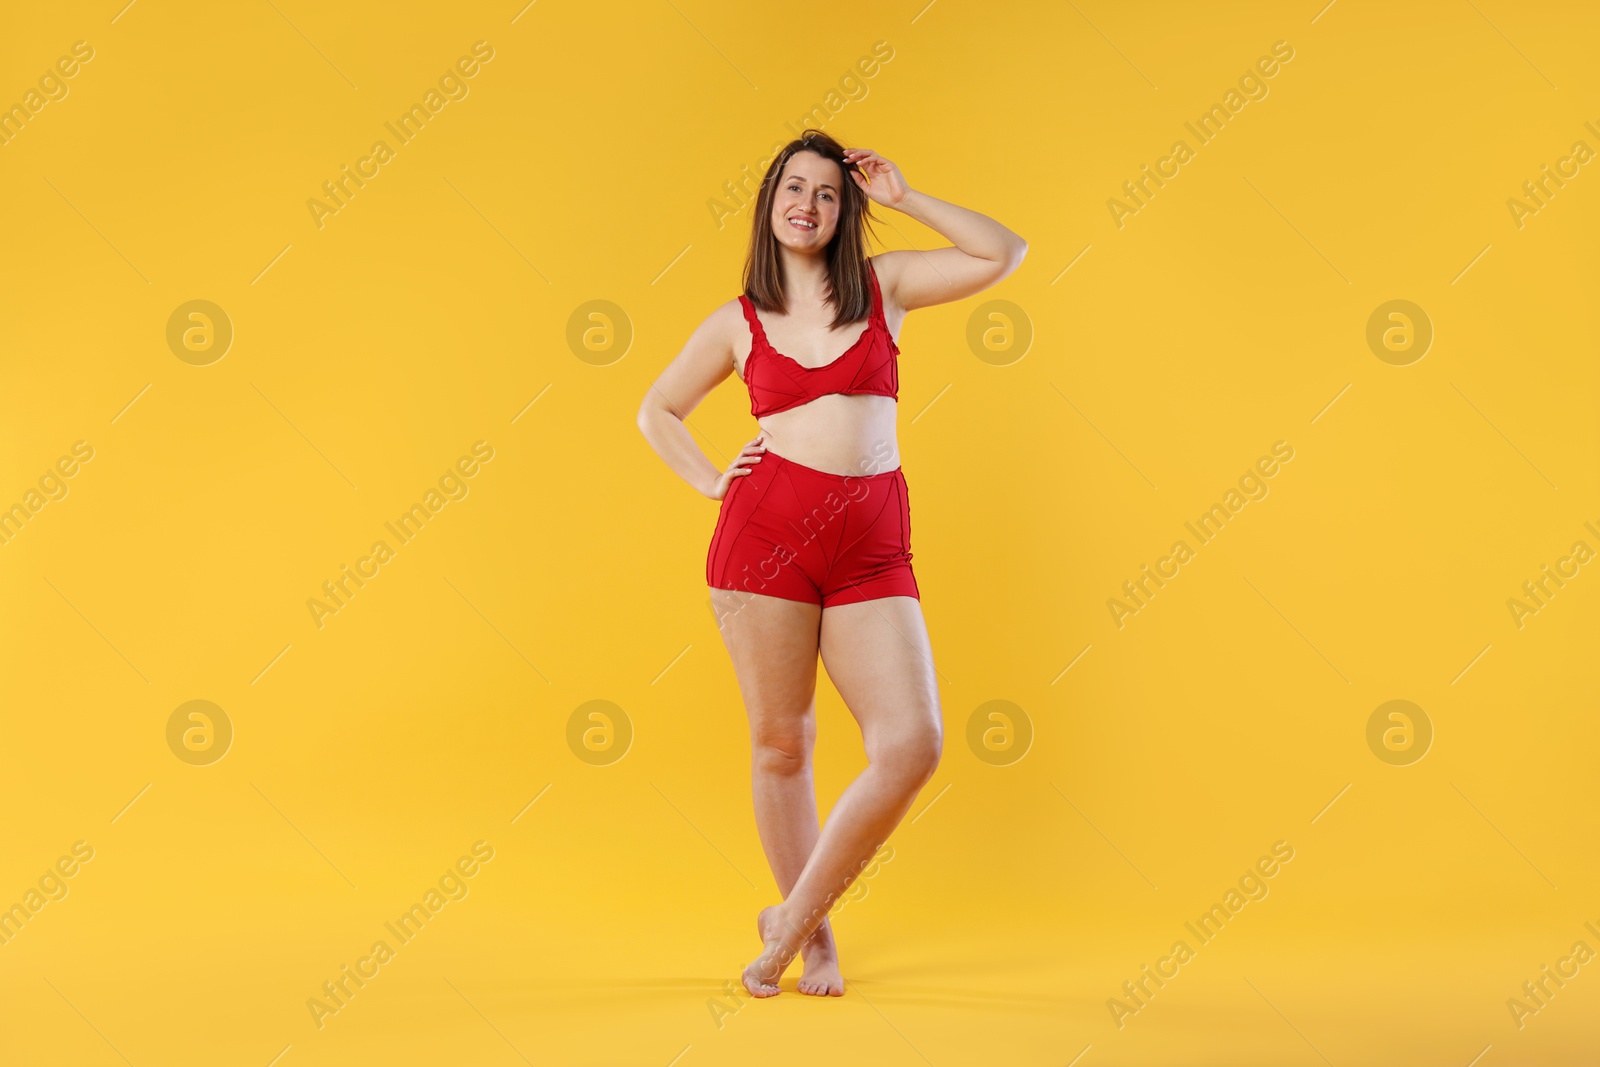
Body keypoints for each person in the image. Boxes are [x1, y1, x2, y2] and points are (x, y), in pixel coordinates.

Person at [637, 129, 1027, 997]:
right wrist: (707, 480)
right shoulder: (736, 321)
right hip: (764, 538)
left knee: (911, 743)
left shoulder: (885, 289)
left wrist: (906, 196)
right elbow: (657, 408)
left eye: (825, 193)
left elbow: (1003, 251)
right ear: (768, 205)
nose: (806, 205)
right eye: (792, 189)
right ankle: (811, 944)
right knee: (784, 742)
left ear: (845, 211)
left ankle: (789, 918)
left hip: (869, 541)